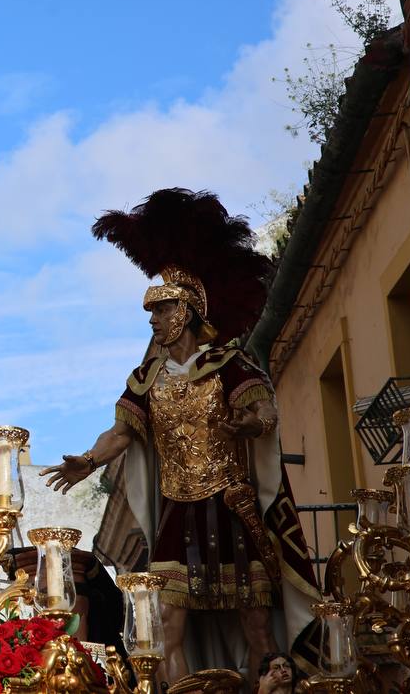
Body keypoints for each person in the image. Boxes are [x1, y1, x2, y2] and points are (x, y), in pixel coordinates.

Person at [40, 189, 320, 688]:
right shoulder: (146, 379)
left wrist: (249, 425)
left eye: (161, 310)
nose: (152, 320)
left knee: (255, 623)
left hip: (231, 507)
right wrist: (88, 460)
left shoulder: (228, 366)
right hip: (177, 511)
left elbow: (264, 410)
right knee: (166, 626)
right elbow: (121, 433)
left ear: (186, 312)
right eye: (152, 312)